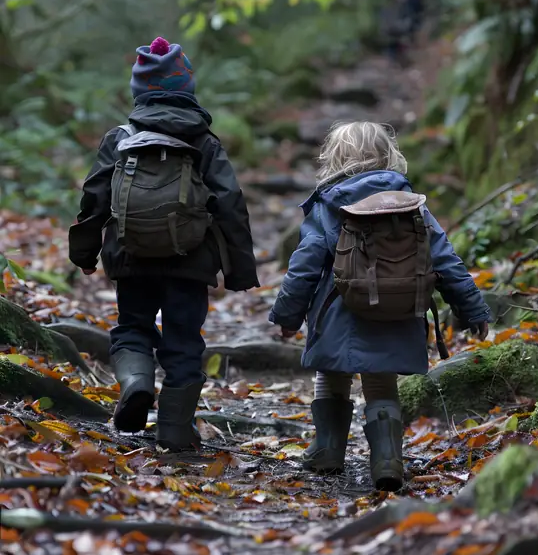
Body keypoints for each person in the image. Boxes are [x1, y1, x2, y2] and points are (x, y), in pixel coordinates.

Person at [268, 121, 490, 492]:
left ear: (335, 159)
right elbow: (445, 259)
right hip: (398, 310)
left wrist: (288, 315)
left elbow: (304, 264)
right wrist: (473, 310)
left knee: (331, 376)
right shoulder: (412, 205)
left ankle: (327, 450)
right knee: (381, 384)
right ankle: (387, 461)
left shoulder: (329, 203)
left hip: (338, 312)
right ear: (389, 155)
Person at [69, 37, 259, 451]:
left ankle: (136, 384)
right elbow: (230, 206)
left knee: (132, 326)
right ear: (186, 88)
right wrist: (240, 270)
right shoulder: (204, 142)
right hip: (191, 261)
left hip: (129, 254)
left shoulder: (119, 137)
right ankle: (174, 428)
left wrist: (83, 253)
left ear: (139, 90)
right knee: (184, 339)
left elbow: (95, 198)